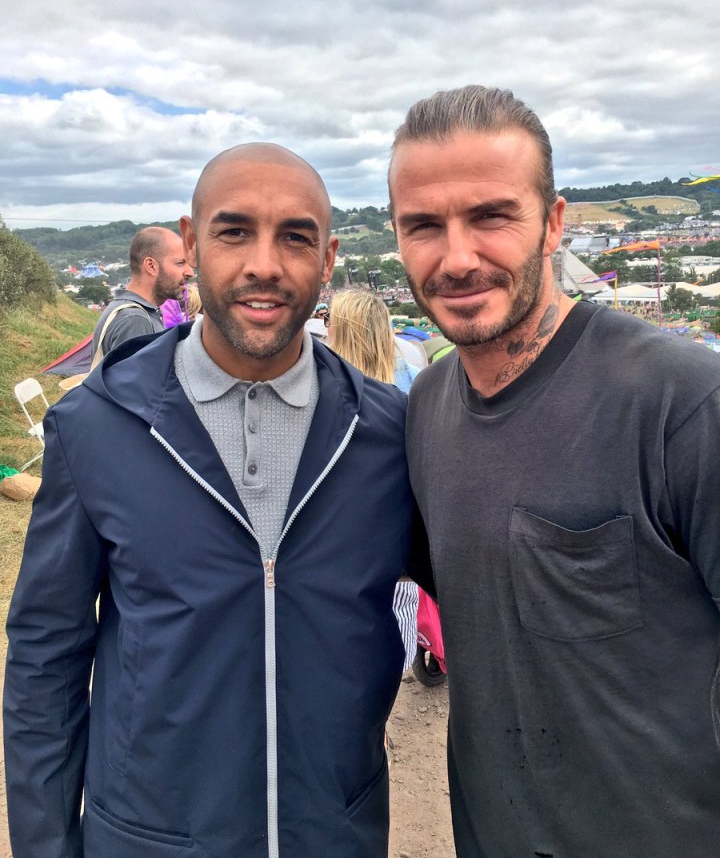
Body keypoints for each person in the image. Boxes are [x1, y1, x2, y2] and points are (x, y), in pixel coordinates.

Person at [4, 142, 430, 858]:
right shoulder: (96, 429)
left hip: (335, 836)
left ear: (326, 262)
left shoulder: (386, 433)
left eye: (294, 237)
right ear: (192, 245)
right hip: (147, 840)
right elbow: (46, 657)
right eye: (235, 232)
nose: (264, 263)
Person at [389, 84, 720, 858]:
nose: (458, 256)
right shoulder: (427, 408)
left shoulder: (679, 401)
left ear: (555, 222)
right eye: (425, 226)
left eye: (492, 216)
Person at [327, 288, 420, 672]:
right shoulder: (414, 382)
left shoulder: (322, 393)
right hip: (398, 562)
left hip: (336, 565)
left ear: (340, 331)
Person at [91, 226, 193, 358]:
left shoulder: (129, 311)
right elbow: (134, 378)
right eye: (180, 263)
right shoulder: (134, 320)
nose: (190, 272)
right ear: (151, 266)